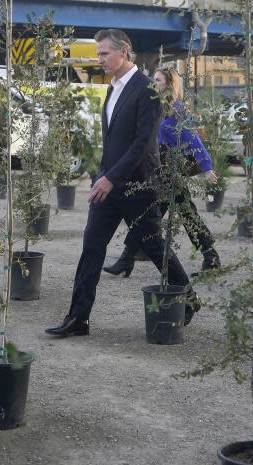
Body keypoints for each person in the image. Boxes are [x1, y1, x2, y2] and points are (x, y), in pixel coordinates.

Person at [45, 30, 198, 338]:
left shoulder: (146, 89)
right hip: (109, 184)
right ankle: (78, 318)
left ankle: (189, 299)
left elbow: (142, 143)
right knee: (91, 248)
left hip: (136, 186)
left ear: (125, 52)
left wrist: (111, 178)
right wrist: (102, 173)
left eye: (104, 54)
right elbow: (114, 140)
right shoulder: (112, 88)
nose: (98, 59)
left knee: (155, 246)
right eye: (98, 54)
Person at [102, 66, 221, 278]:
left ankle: (210, 257)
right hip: (155, 167)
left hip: (170, 170)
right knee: (153, 215)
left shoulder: (176, 109)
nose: (153, 83)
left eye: (157, 80)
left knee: (179, 214)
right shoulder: (153, 104)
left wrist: (206, 166)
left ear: (169, 84)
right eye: (153, 79)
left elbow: (192, 139)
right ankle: (128, 258)